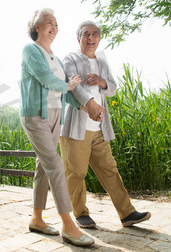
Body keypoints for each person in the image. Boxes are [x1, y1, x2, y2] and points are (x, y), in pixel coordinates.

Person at [60, 20, 151, 228]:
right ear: (78, 38)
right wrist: (90, 105)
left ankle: (127, 213)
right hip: (76, 126)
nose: (90, 38)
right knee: (76, 172)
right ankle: (80, 213)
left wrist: (102, 82)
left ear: (99, 38)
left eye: (94, 34)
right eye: (85, 34)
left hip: (99, 127)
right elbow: (74, 88)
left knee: (110, 169)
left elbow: (112, 89)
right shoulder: (70, 58)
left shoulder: (102, 61)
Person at [20, 8, 94, 247]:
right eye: (49, 23)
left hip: (55, 115)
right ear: (37, 27)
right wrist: (69, 87)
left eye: (56, 24)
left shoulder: (56, 58)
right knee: (55, 164)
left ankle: (37, 219)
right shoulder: (31, 50)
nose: (54, 27)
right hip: (36, 115)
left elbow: (65, 88)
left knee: (44, 166)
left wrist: (84, 107)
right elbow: (46, 78)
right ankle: (68, 225)